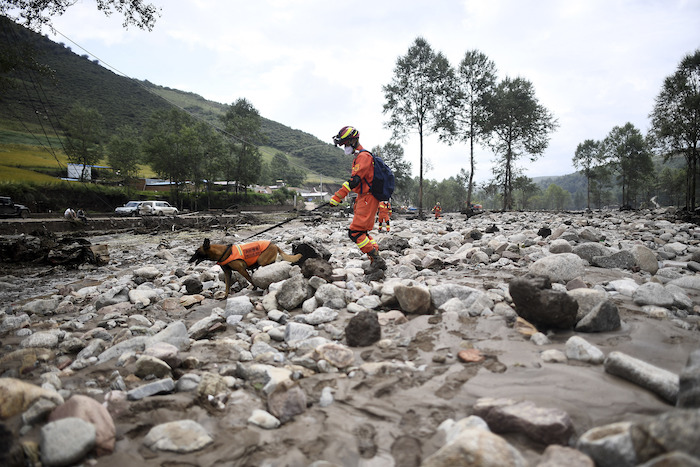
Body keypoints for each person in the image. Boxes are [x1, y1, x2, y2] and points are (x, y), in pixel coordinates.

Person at [329, 126, 386, 270]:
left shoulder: (363, 156)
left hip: (367, 198)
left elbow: (354, 181)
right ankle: (375, 258)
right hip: (365, 198)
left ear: (353, 140)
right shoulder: (359, 156)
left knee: (355, 233)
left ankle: (376, 259)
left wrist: (337, 197)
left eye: (346, 143)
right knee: (363, 233)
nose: (345, 147)